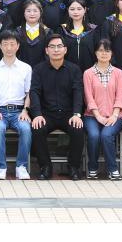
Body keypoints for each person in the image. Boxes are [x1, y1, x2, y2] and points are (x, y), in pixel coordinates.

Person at [29, 33, 85, 179]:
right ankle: (45, 167)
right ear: (46, 50)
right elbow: (34, 92)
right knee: (37, 128)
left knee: (78, 129)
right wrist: (37, 115)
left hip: (68, 114)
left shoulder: (74, 69)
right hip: (47, 114)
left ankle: (73, 167)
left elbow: (78, 92)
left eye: (59, 46)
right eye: (52, 47)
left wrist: (77, 114)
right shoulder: (39, 69)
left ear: (65, 49)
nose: (56, 50)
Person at [0, 31, 33, 180]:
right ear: (0, 46)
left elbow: (29, 93)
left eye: (12, 44)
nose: (8, 48)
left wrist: (25, 111)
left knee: (26, 129)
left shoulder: (26, 68)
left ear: (18, 46)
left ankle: (21, 166)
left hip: (19, 111)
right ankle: (1, 167)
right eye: (5, 44)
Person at [83, 38, 122, 180]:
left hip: (115, 116)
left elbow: (120, 96)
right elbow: (89, 97)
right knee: (94, 135)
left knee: (106, 135)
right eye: (101, 50)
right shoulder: (88, 73)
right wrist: (98, 116)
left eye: (107, 51)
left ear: (111, 53)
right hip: (92, 116)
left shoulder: (118, 73)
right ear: (95, 53)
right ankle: (92, 168)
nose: (104, 53)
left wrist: (114, 115)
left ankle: (112, 169)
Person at [14, 0, 51, 67]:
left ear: (40, 13)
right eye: (28, 11)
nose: (32, 14)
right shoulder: (17, 32)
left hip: (42, 69)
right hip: (21, 69)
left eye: (35, 11)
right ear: (24, 13)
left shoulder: (47, 32)